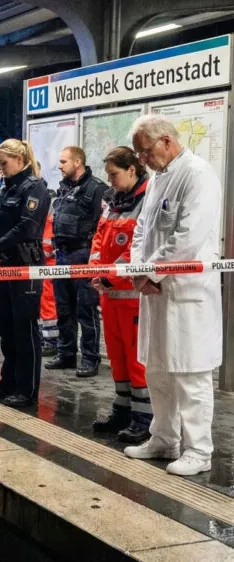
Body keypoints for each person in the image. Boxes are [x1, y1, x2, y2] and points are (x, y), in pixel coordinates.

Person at [123, 116, 222, 477]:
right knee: (158, 370)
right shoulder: (157, 179)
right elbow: (141, 231)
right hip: (155, 291)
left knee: (191, 375)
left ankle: (199, 450)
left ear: (166, 140)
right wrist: (139, 270)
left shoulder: (198, 175)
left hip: (186, 293)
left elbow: (188, 236)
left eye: (145, 151)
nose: (142, 160)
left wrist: (149, 272)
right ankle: (164, 438)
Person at [89, 146, 152, 444]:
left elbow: (138, 247)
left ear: (131, 170)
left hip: (132, 295)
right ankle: (122, 410)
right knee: (116, 356)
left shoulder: (148, 199)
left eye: (114, 174)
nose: (110, 180)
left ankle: (144, 418)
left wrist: (109, 275)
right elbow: (99, 238)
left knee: (137, 359)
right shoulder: (113, 201)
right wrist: (94, 270)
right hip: (109, 293)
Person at [0, 139, 50, 408]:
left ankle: (26, 388)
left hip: (25, 265)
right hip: (4, 265)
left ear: (20, 160)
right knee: (7, 328)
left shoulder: (35, 187)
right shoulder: (4, 189)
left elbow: (28, 226)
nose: (0, 168)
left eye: (4, 163)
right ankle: (8, 380)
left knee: (25, 329)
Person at [46, 146, 106, 377]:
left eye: (64, 162)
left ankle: (90, 358)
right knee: (64, 308)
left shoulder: (97, 189)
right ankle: (66, 354)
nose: (59, 166)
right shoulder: (63, 188)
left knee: (86, 309)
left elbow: (101, 228)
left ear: (78, 162)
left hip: (83, 254)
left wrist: (94, 259)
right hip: (62, 255)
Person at [39, 192, 59, 356]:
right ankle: (44, 338)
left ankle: (51, 341)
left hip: (49, 267)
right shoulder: (43, 220)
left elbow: (47, 247)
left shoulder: (51, 221)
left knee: (48, 304)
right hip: (41, 267)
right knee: (42, 303)